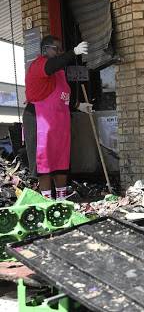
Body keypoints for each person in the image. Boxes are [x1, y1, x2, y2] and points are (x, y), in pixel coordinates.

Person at [23, 35, 92, 201]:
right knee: (44, 164)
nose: (59, 52)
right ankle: (47, 201)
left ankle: (61, 200)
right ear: (44, 49)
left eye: (61, 50)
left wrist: (78, 106)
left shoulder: (59, 73)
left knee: (61, 163)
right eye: (56, 49)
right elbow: (53, 64)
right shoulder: (39, 65)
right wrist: (73, 52)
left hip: (59, 126)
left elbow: (62, 97)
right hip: (40, 123)